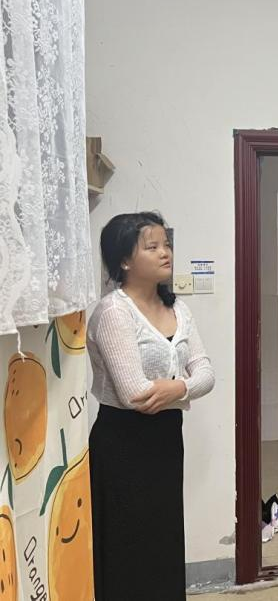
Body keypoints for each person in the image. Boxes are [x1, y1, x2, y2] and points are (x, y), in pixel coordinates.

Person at [87, 212, 215, 600]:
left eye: (167, 244)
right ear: (125, 260)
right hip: (122, 443)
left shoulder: (178, 309)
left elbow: (207, 373)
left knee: (163, 536)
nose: (165, 253)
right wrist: (186, 388)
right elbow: (135, 395)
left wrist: (177, 388)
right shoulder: (113, 312)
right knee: (127, 543)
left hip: (166, 438)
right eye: (152, 246)